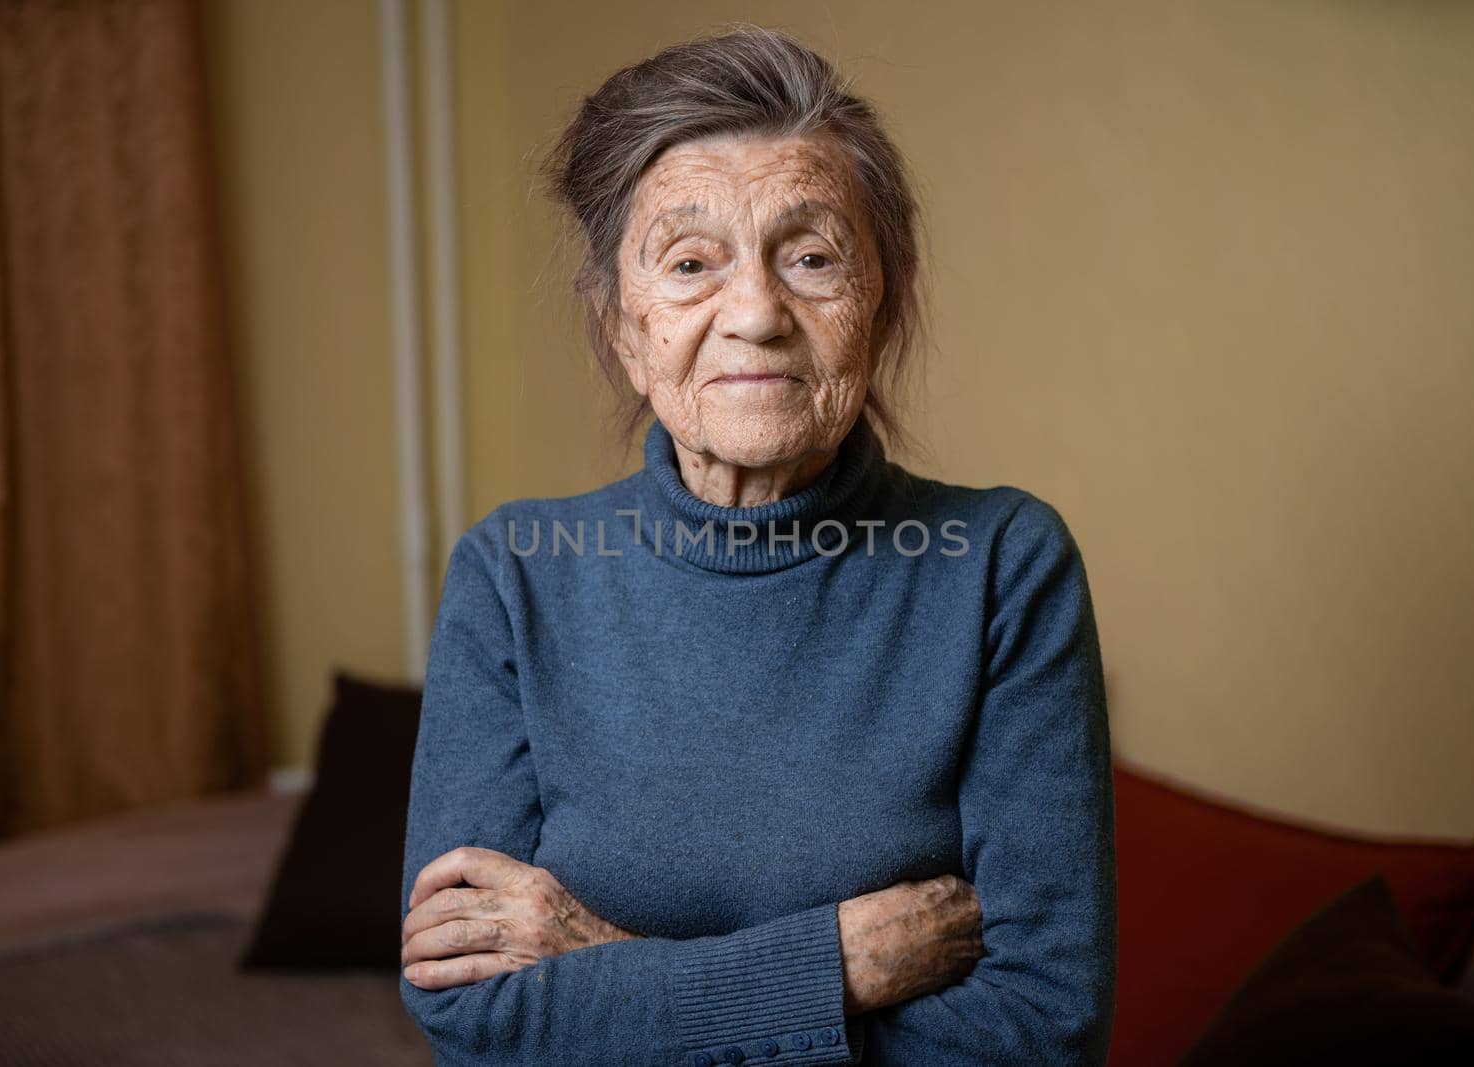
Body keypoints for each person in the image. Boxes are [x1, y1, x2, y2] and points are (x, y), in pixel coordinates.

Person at [398, 24, 1115, 1066]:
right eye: (690, 262)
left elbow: (1039, 1029)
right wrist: (832, 966)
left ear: (882, 306)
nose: (754, 313)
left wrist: (605, 965)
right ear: (622, 330)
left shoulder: (1000, 563)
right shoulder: (515, 574)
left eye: (811, 256)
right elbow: (472, 1017)